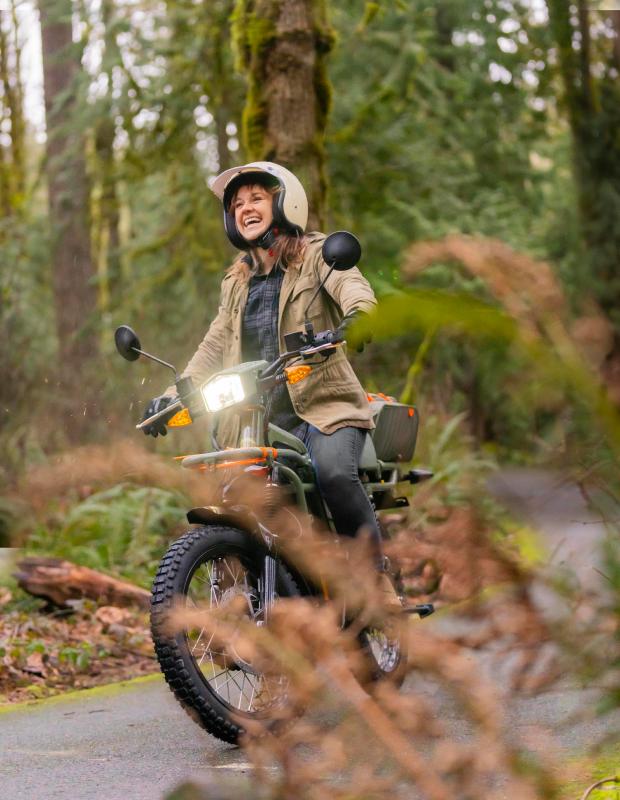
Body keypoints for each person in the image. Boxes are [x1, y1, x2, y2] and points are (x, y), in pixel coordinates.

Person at [142, 161, 386, 569]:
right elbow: (213, 345)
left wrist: (357, 319)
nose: (245, 208)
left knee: (335, 475)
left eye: (256, 198)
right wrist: (169, 398)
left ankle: (374, 581)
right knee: (230, 495)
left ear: (284, 203)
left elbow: (356, 291)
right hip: (255, 418)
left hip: (322, 411)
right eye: (237, 204)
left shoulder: (317, 255)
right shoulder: (236, 282)